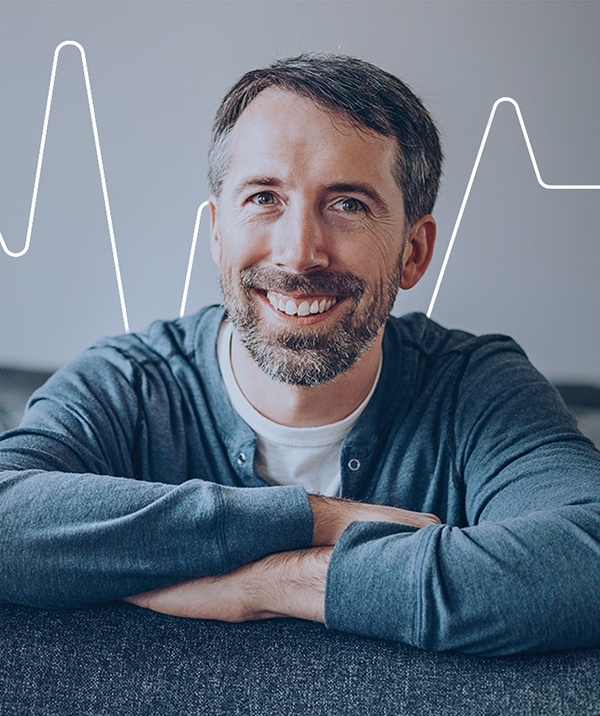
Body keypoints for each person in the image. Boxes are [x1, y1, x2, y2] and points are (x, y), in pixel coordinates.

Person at [0, 54, 599, 656]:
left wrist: (272, 584)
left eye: (348, 205)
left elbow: (586, 558)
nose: (299, 253)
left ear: (414, 251)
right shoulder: (127, 384)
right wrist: (315, 520)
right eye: (263, 197)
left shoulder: (476, 388)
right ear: (216, 233)